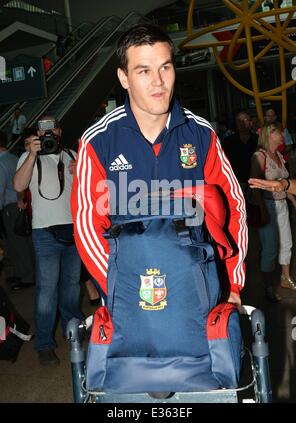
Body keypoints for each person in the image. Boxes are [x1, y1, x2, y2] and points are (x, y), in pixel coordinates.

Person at [71, 24, 247, 310]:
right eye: (143, 71)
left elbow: (233, 207)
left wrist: (231, 283)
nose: (158, 82)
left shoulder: (200, 134)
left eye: (165, 67)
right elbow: (88, 225)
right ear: (123, 78)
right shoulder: (99, 141)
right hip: (128, 296)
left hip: (197, 289)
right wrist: (122, 288)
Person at [13, 116, 83, 366]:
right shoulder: (28, 156)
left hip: (74, 229)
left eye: (51, 127)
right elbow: (19, 185)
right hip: (44, 231)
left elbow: (88, 190)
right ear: (38, 133)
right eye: (43, 128)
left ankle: (73, 331)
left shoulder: (72, 154)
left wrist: (82, 172)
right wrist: (31, 155)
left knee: (72, 286)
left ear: (59, 131)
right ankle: (44, 344)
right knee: (46, 291)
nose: (48, 132)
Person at [249, 122, 296, 302]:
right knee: (270, 249)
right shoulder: (259, 156)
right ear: (270, 134)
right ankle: (268, 286)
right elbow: (254, 186)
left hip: (282, 206)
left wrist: (293, 200)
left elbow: (283, 184)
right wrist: (262, 209)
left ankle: (285, 278)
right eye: (279, 132)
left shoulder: (279, 155)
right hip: (268, 205)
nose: (282, 135)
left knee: (287, 243)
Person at [0, 131, 35, 291]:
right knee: (25, 243)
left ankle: (27, 276)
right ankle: (24, 274)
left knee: (18, 244)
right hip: (23, 206)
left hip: (11, 208)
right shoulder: (14, 158)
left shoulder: (1, 163)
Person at [222, 111, 258, 192]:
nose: (242, 123)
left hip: (256, 180)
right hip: (236, 182)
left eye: (245, 120)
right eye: (239, 121)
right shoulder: (228, 141)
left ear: (250, 122)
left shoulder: (258, 139)